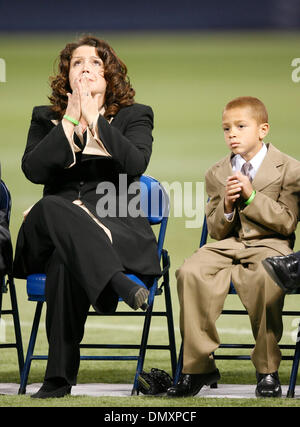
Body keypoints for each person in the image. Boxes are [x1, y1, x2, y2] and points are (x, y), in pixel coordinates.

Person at [13, 35, 161, 399]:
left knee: (65, 259)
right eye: (77, 63)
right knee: (51, 207)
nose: (86, 69)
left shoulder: (134, 116)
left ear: (110, 75)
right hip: (47, 233)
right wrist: (69, 120)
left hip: (114, 227)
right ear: (67, 74)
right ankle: (120, 284)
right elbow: (32, 169)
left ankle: (58, 379)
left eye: (95, 63)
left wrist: (96, 118)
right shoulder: (44, 118)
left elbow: (135, 163)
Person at [167, 96, 300, 398]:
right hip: (228, 246)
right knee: (190, 271)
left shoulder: (290, 168)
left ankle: (267, 370)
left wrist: (252, 198)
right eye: (226, 129)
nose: (233, 134)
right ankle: (197, 367)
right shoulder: (217, 172)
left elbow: (287, 222)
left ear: (263, 130)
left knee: (266, 277)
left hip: (271, 245)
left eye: (241, 126)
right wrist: (226, 206)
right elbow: (215, 231)